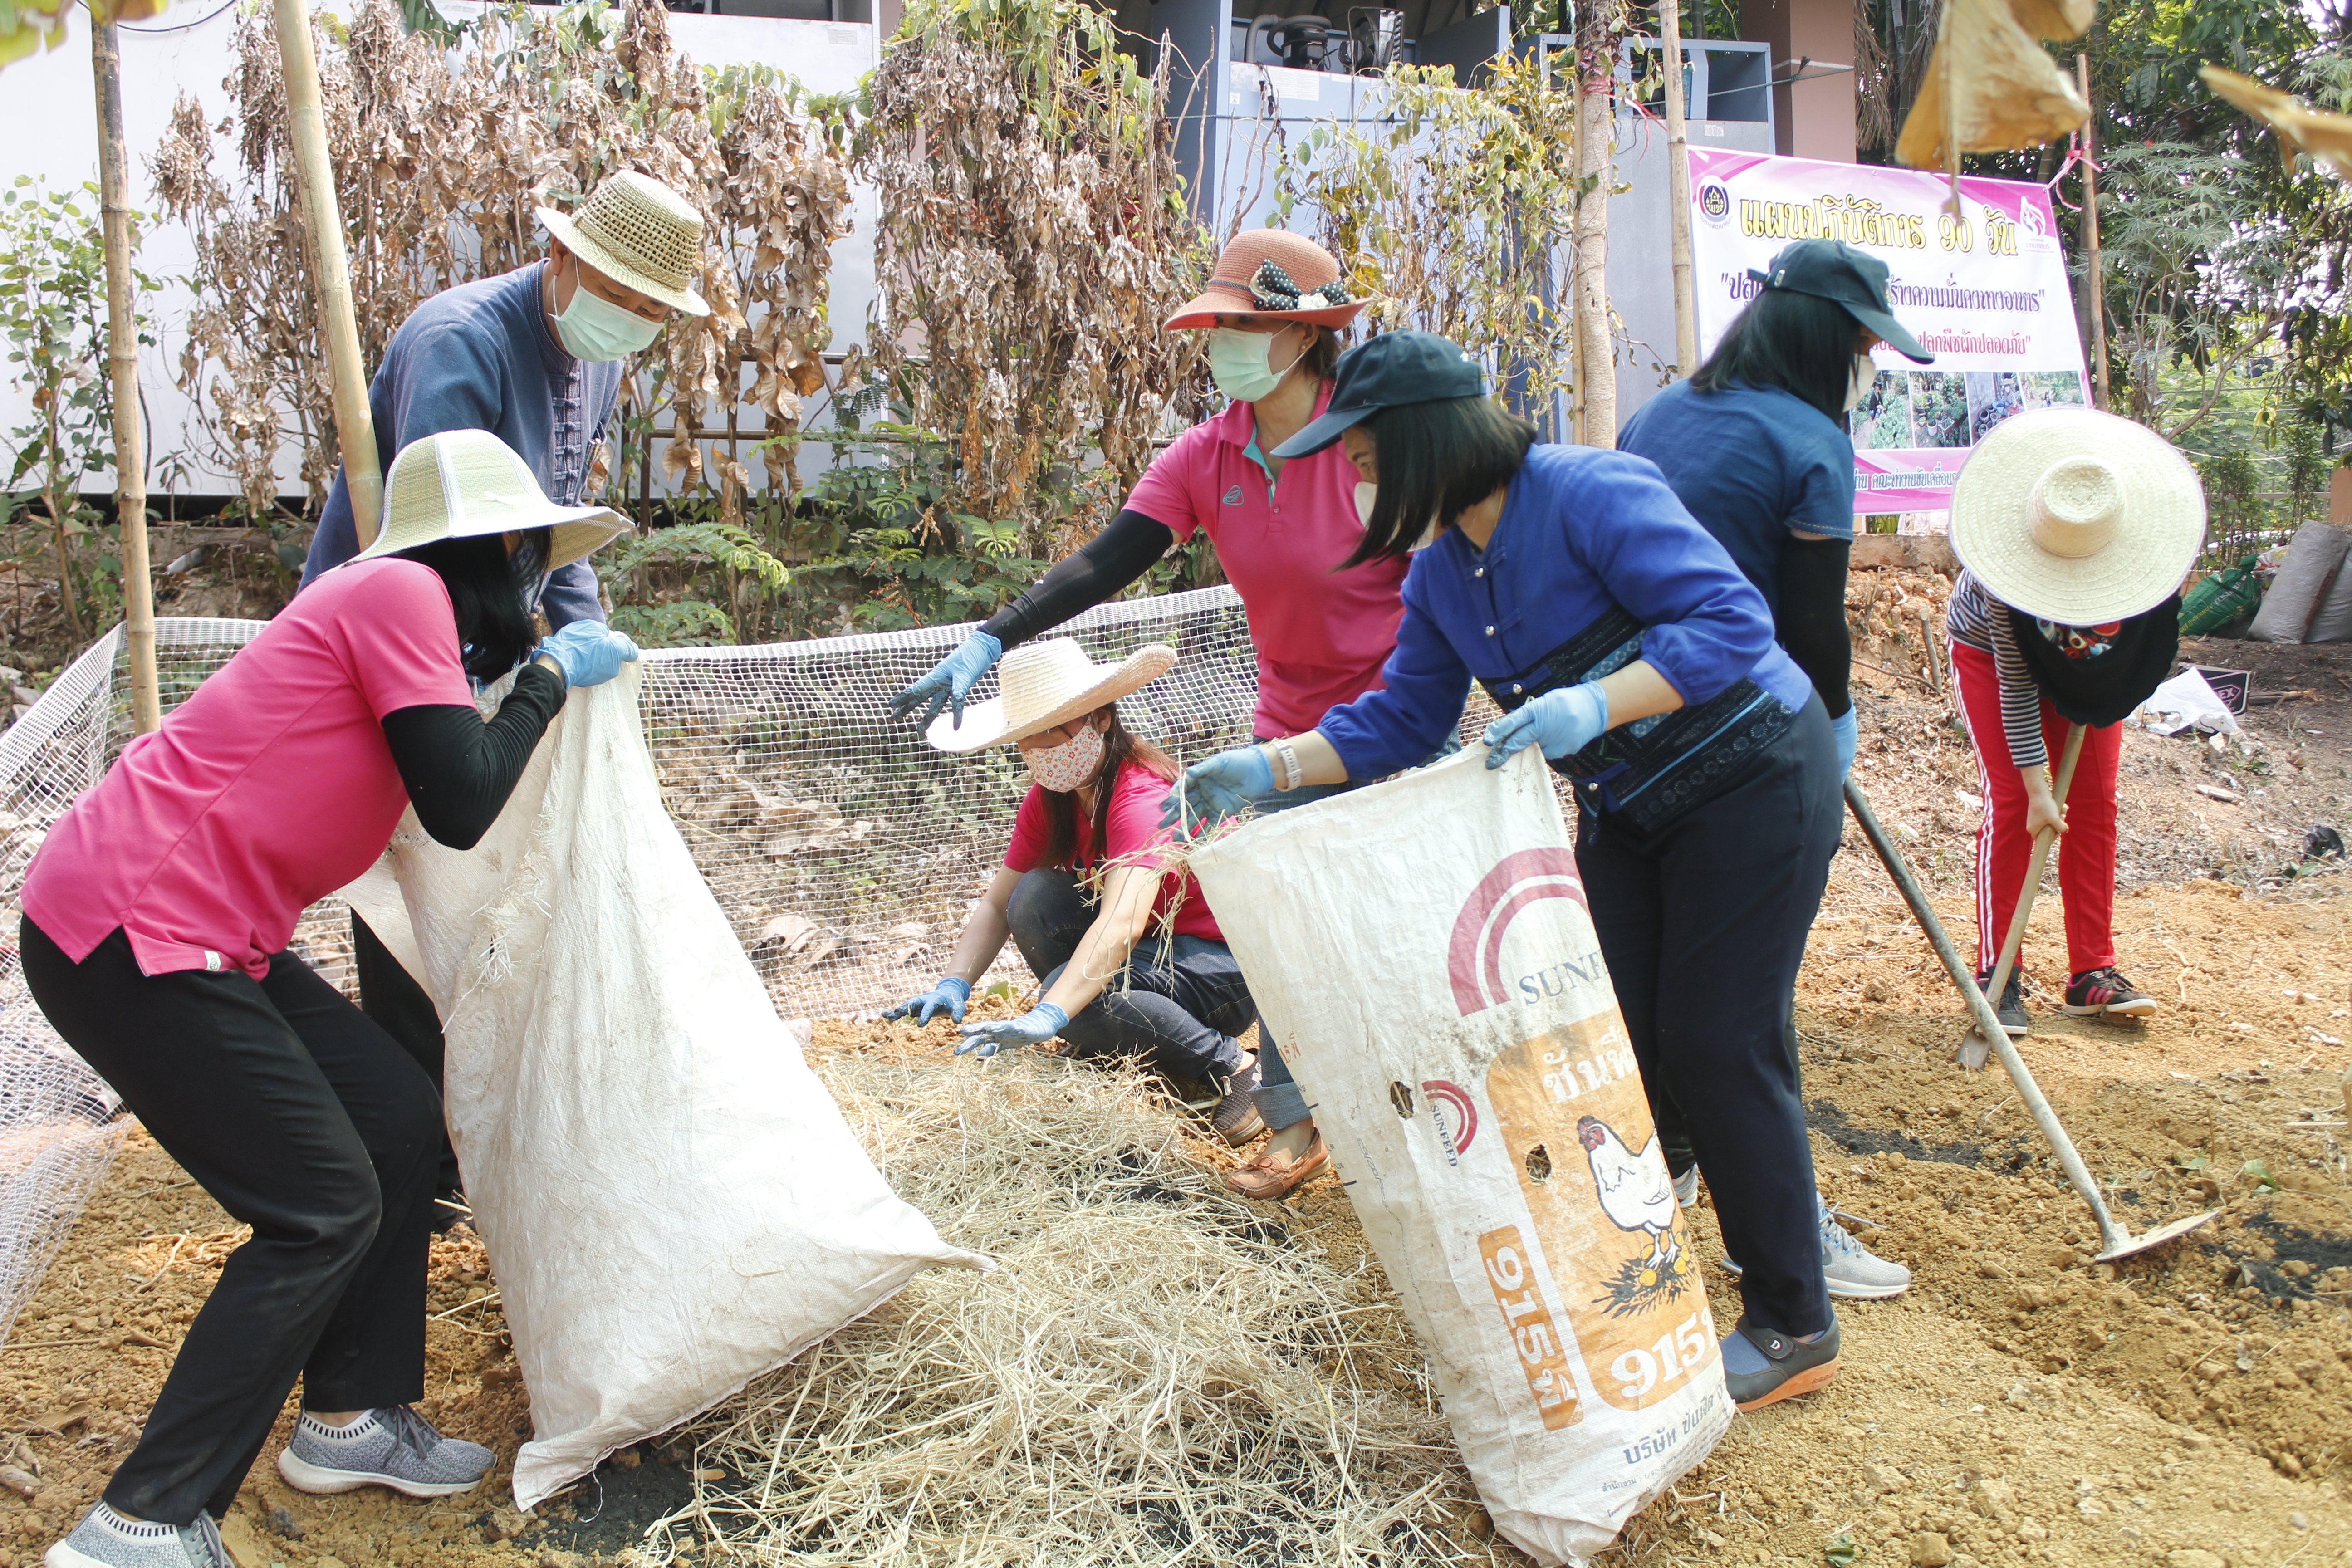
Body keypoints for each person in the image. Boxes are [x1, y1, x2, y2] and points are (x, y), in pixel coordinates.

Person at [1166, 332, 1847, 1411]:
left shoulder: (1586, 493)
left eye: (1366, 454)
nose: (1353, 474)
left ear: (1425, 438)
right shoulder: (1439, 573)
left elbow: (1730, 621)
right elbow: (1400, 719)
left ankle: (1792, 1316)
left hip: (1752, 775)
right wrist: (1271, 765)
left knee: (1719, 1036)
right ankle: (1651, 1257)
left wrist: (1596, 700)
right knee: (1615, 1039)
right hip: (1630, 808)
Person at [21, 431, 641, 1568]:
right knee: (320, 1201)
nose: (538, 585)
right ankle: (142, 1522)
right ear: (495, 544)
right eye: (533, 559)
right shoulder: (398, 586)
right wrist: (550, 677)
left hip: (212, 933)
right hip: (128, 923)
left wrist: (520, 685)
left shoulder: (408, 623)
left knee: (398, 1117)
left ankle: (346, 1418)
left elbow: (447, 764)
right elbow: (459, 800)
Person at [888, 229, 1394, 1198]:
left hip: (1396, 716)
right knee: (1291, 930)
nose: (1222, 346)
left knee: (1377, 928)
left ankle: (1407, 1110)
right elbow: (1106, 560)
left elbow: (1447, 576)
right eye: (1216, 328)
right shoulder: (1210, 457)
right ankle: (1293, 1124)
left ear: (1301, 337)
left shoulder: (1373, 444)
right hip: (1287, 728)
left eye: (1242, 327)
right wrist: (995, 637)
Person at [297, 169, 709, 1220]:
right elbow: (451, 542)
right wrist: (530, 665)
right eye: (627, 295)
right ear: (563, 260)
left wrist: (586, 639)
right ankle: (418, 1160)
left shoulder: (592, 365)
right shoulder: (462, 346)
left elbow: (553, 525)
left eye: (658, 311)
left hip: (493, 638)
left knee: (487, 881)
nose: (638, 322)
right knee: (413, 874)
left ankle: (482, 1120)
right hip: (398, 642)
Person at [1617, 237, 1929, 1300]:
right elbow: (1810, 632)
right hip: (1751, 749)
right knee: (1743, 1008)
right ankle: (1786, 1234)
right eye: (1863, 347)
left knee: (1654, 987)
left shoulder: (1657, 418)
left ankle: (1666, 1172)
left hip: (1629, 735)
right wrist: (1829, 736)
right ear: (1825, 338)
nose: (1868, 368)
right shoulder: (1810, 441)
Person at [884, 639, 1262, 1133]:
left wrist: (1054, 1012)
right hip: (1156, 953)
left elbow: (1122, 923)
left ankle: (1234, 1067)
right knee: (1036, 896)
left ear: (1100, 719)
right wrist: (954, 982)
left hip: (1223, 970)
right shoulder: (1052, 802)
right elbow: (1000, 904)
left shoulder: (1142, 797)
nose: (1041, 751)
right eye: (1028, 738)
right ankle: (1111, 1036)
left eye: (1051, 733)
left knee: (1072, 997)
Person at [1945, 407, 2200, 1036]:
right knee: (2013, 806)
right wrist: (2037, 788)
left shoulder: (2146, 555)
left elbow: (2141, 658)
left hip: (2092, 663)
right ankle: (1998, 973)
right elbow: (2019, 686)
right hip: (1994, 660)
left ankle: (2092, 974)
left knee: (2092, 802)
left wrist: (2098, 691)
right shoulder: (2002, 585)